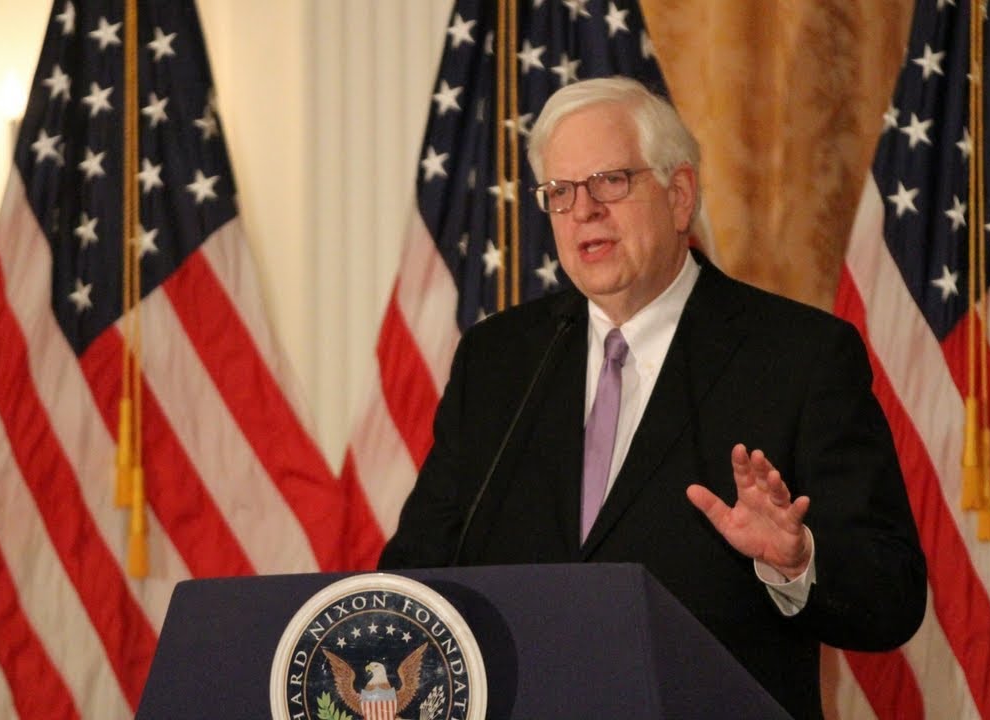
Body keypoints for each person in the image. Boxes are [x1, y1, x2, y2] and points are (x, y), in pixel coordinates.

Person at [377, 77, 927, 720]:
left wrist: (796, 559)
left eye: (610, 181)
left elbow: (891, 596)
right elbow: (414, 572)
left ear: (679, 195)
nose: (584, 210)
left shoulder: (798, 356)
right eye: (560, 192)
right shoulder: (498, 360)